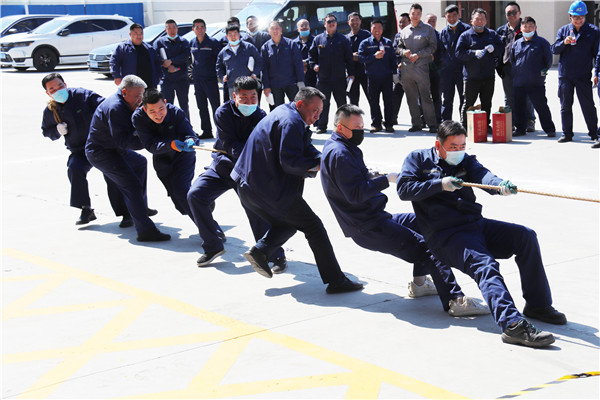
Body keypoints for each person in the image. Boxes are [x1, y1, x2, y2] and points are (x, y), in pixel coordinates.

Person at [397, 120, 566, 348]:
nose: (458, 151)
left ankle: (538, 304)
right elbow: (404, 189)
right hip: (447, 236)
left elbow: (484, 176)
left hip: (474, 225)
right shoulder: (418, 159)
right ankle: (512, 325)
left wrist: (500, 185)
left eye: (462, 146)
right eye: (453, 147)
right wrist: (440, 184)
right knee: (485, 265)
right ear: (438, 145)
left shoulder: (466, 161)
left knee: (525, 236)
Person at [320, 104, 490, 315]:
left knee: (423, 223)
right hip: (368, 226)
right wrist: (386, 180)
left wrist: (370, 174)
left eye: (362, 127)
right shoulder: (340, 154)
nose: (361, 131)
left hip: (374, 217)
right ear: (340, 127)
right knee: (429, 249)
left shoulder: (339, 147)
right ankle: (455, 300)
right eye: (357, 128)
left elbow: (350, 180)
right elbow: (354, 194)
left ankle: (420, 284)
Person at [232, 87, 363, 293]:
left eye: (321, 111)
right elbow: (290, 162)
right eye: (315, 110)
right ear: (301, 104)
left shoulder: (287, 113)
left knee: (289, 224)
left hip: (248, 186)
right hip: (267, 188)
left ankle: (260, 251)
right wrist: (319, 166)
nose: (317, 116)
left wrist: (323, 159)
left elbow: (302, 147)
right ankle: (335, 280)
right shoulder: (291, 122)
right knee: (314, 227)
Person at [187, 77, 286, 270]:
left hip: (247, 173)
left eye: (253, 97)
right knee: (195, 196)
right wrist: (252, 153)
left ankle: (274, 255)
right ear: (234, 97)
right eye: (244, 97)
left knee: (257, 211)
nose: (249, 102)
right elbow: (229, 143)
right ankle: (213, 246)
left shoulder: (261, 116)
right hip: (223, 168)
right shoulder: (223, 113)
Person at [85, 75, 170, 242]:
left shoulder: (127, 103)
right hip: (101, 153)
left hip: (114, 149)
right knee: (131, 183)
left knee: (140, 163)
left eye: (142, 95)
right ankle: (145, 230)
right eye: (137, 96)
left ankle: (139, 207)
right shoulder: (116, 108)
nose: (140, 100)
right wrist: (149, 142)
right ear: (124, 92)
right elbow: (123, 141)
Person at [40, 73, 126, 225]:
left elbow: (105, 106)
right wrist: (56, 131)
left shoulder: (83, 96)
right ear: (48, 93)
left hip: (101, 146)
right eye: (52, 89)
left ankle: (126, 212)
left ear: (65, 85)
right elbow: (46, 131)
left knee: (112, 174)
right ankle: (86, 209)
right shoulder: (51, 110)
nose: (57, 90)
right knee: (75, 169)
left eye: (60, 86)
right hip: (79, 150)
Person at [132, 89, 198, 217]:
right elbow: (150, 145)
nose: (158, 115)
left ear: (166, 103)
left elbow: (190, 134)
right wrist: (170, 145)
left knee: (181, 190)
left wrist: (191, 141)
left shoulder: (176, 112)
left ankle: (207, 226)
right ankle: (202, 200)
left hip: (183, 155)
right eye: (152, 111)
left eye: (161, 109)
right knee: (181, 205)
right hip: (162, 158)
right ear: (145, 109)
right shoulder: (138, 118)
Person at [551, 0, 599, 148]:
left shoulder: (593, 31)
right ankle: (567, 133)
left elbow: (597, 54)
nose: (579, 20)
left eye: (581, 17)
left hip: (583, 75)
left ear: (585, 16)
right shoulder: (563, 31)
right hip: (565, 75)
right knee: (565, 105)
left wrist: (596, 72)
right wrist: (564, 43)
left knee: (588, 106)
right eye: (576, 17)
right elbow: (554, 49)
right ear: (570, 16)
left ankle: (594, 134)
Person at [456, 8, 503, 133]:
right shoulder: (465, 36)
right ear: (471, 21)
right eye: (477, 19)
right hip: (471, 77)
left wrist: (494, 48)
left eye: (482, 19)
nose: (479, 22)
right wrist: (473, 53)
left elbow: (501, 48)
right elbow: (459, 53)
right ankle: (464, 125)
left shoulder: (492, 34)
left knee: (487, 102)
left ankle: (486, 125)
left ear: (486, 21)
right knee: (468, 103)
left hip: (488, 76)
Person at [511, 16, 556, 138]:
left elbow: (548, 61)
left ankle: (549, 129)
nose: (528, 29)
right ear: (521, 28)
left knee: (541, 106)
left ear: (535, 28)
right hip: (519, 82)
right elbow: (512, 60)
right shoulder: (517, 44)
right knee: (519, 106)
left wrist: (541, 73)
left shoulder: (542, 43)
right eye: (525, 26)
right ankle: (520, 129)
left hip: (535, 82)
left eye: (530, 26)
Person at [396, 3, 438, 133]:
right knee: (411, 98)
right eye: (413, 13)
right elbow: (398, 48)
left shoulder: (428, 29)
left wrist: (418, 55)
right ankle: (416, 123)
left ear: (421, 15)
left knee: (426, 97)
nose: (415, 16)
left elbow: (433, 47)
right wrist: (404, 52)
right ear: (410, 14)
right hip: (407, 69)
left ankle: (432, 124)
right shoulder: (404, 31)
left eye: (418, 14)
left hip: (422, 68)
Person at [308, 14, 354, 134]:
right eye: (329, 22)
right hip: (323, 79)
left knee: (342, 104)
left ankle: (343, 126)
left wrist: (351, 74)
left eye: (333, 21)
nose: (331, 23)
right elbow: (312, 56)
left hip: (339, 78)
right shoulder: (318, 39)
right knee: (323, 104)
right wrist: (314, 65)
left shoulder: (343, 39)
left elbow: (349, 58)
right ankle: (322, 126)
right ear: (324, 24)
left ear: (336, 23)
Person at [496, 2, 536, 133]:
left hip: (524, 69)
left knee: (526, 96)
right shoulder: (501, 31)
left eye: (514, 12)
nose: (512, 15)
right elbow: (497, 51)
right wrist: (499, 67)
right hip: (507, 68)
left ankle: (530, 121)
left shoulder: (526, 29)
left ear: (519, 13)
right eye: (509, 13)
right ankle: (511, 121)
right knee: (509, 97)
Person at [358, 20, 396, 133]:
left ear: (382, 29)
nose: (377, 30)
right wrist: (374, 56)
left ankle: (389, 124)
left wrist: (395, 74)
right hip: (372, 77)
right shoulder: (365, 43)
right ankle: (376, 124)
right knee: (374, 101)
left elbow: (393, 59)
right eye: (374, 28)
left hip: (387, 77)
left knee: (388, 101)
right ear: (371, 29)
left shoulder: (388, 42)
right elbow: (361, 58)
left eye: (379, 27)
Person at [261, 20, 305, 110]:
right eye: (272, 29)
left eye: (277, 28)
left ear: (281, 29)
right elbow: (264, 69)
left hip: (291, 83)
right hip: (275, 86)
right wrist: (266, 86)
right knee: (278, 111)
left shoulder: (291, 44)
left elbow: (298, 64)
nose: (275, 31)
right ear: (268, 31)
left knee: (298, 109)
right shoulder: (265, 48)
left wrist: (300, 81)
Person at [190, 18, 221, 139]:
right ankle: (207, 131)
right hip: (198, 80)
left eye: (202, 27)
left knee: (216, 107)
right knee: (201, 107)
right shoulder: (192, 43)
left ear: (205, 28)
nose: (200, 30)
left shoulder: (213, 42)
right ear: (193, 29)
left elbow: (219, 61)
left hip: (210, 80)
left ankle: (220, 132)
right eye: (197, 27)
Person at [154, 19, 191, 119]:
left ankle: (186, 125)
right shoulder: (160, 42)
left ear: (177, 28)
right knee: (166, 105)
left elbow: (186, 56)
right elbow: (156, 58)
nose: (172, 30)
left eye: (174, 27)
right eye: (169, 28)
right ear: (165, 30)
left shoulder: (183, 41)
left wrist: (171, 61)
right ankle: (168, 126)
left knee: (184, 105)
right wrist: (165, 64)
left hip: (181, 79)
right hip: (167, 79)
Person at [439, 5, 469, 122]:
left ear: (459, 15)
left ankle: (464, 122)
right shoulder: (443, 32)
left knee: (464, 98)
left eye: (454, 16)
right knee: (447, 99)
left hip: (463, 70)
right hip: (447, 71)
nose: (452, 19)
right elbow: (441, 51)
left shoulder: (466, 30)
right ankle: (446, 123)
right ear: (445, 17)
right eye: (449, 16)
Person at [217, 24, 263, 100]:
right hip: (233, 86)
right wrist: (222, 77)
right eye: (230, 34)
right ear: (226, 37)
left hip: (249, 85)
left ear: (239, 34)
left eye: (235, 33)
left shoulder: (249, 47)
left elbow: (259, 61)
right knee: (235, 105)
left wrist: (255, 74)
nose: (233, 37)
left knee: (249, 105)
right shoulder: (224, 52)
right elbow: (219, 66)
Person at [110, 23, 161, 89]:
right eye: (136, 33)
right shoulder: (122, 48)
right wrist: (116, 76)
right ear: (130, 34)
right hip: (132, 85)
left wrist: (159, 75)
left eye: (141, 33)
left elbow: (157, 62)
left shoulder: (149, 48)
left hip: (149, 84)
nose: (139, 36)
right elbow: (114, 62)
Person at [346, 12, 371, 106]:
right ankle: (354, 116)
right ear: (348, 22)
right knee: (353, 100)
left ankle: (376, 116)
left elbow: (372, 51)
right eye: (352, 20)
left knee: (371, 98)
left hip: (366, 72)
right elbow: (343, 55)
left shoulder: (367, 35)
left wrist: (359, 56)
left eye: (357, 20)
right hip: (351, 74)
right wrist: (351, 56)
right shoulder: (345, 38)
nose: (355, 22)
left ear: (360, 21)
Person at [391, 13, 410, 125]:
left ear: (409, 22)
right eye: (400, 22)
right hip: (400, 71)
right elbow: (395, 51)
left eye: (404, 22)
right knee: (395, 95)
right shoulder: (397, 36)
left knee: (415, 97)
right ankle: (393, 118)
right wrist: (398, 63)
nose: (402, 24)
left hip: (412, 71)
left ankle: (421, 120)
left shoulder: (414, 34)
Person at [423, 13, 442, 125]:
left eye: (433, 21)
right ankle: (423, 119)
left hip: (435, 70)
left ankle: (437, 119)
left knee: (436, 96)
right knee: (423, 96)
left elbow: (442, 52)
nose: (431, 23)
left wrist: (435, 57)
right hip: (422, 70)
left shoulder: (439, 36)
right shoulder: (420, 35)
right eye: (429, 21)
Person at [294, 19, 317, 89]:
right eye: (302, 26)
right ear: (298, 29)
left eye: (306, 25)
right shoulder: (293, 43)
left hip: (313, 75)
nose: (304, 27)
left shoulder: (316, 40)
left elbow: (318, 55)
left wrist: (306, 62)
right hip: (299, 77)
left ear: (309, 28)